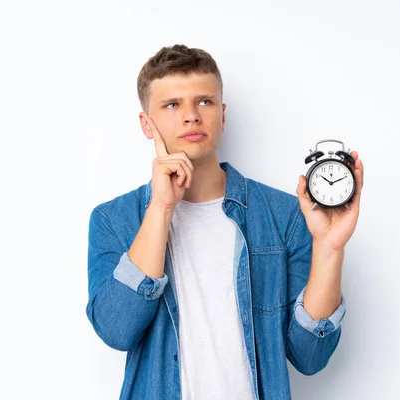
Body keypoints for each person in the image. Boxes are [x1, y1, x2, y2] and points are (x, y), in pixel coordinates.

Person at [86, 44, 364, 400]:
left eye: (204, 101)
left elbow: (309, 356)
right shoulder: (114, 220)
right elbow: (116, 330)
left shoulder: (284, 216)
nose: (191, 116)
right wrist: (160, 207)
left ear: (222, 115)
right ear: (146, 123)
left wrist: (329, 248)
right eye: (172, 105)